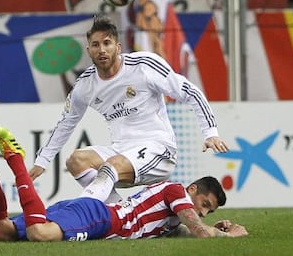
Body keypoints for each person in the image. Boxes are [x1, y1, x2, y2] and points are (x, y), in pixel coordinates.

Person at [29, 14, 229, 204]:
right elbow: (66, 123)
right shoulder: (85, 86)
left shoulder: (143, 66)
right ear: (88, 50)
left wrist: (211, 132)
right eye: (95, 45)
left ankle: (83, 210)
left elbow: (189, 91)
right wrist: (42, 161)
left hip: (159, 150)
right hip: (122, 152)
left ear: (118, 47)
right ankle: (119, 212)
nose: (102, 50)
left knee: (112, 165)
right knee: (76, 161)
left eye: (107, 43)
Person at [0, 126, 248, 241]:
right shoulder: (175, 190)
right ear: (193, 190)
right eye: (205, 205)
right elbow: (197, 230)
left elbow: (184, 229)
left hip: (86, 209)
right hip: (101, 219)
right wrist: (232, 235)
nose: (203, 212)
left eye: (208, 211)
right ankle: (14, 157)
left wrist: (213, 224)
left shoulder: (168, 218)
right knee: (39, 235)